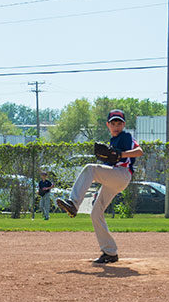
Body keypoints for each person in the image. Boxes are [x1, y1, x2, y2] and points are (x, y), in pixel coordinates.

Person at [56, 109, 143, 264]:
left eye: (119, 123)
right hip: (114, 179)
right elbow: (105, 171)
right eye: (113, 123)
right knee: (96, 213)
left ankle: (74, 203)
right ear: (107, 125)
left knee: (90, 168)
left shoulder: (126, 137)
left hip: (122, 174)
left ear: (123, 125)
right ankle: (110, 252)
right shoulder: (111, 143)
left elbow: (139, 151)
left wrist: (121, 155)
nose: (116, 126)